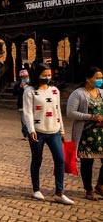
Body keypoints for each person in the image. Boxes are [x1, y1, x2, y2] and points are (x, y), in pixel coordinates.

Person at [23, 63, 73, 205]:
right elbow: (27, 112)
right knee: (37, 160)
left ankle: (59, 192)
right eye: (44, 74)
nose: (47, 77)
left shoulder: (54, 91)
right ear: (37, 75)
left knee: (60, 160)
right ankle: (36, 189)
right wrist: (31, 130)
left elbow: (57, 111)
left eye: (49, 74)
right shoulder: (30, 91)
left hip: (54, 130)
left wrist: (62, 130)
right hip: (38, 131)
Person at [66, 66, 103, 201]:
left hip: (101, 132)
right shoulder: (78, 94)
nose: (100, 80)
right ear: (88, 79)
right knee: (87, 162)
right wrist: (91, 117)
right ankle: (88, 189)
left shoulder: (101, 93)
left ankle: (100, 185)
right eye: (97, 78)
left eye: (101, 78)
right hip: (86, 134)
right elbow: (71, 113)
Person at [13, 69, 31, 138]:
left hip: (30, 104)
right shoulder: (17, 85)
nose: (25, 78)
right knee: (24, 120)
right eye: (23, 77)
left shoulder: (31, 85)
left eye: (26, 76)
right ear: (20, 78)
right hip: (22, 104)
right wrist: (20, 87)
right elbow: (14, 93)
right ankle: (26, 134)